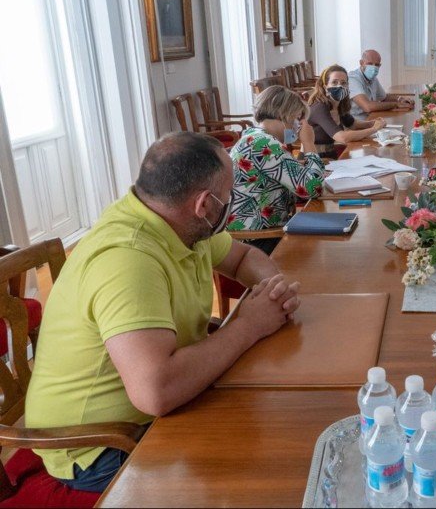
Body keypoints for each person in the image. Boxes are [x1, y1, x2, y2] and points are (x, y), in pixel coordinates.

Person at [25, 132, 303, 493]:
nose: (234, 200)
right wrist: (249, 325)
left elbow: (243, 257)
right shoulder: (128, 259)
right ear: (204, 204)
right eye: (230, 193)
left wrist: (272, 289)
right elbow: (155, 392)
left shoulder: (178, 222)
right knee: (263, 472)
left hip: (157, 404)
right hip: (99, 444)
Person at [227, 85, 325, 253]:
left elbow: (296, 180)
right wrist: (308, 142)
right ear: (285, 115)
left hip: (261, 231)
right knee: (324, 251)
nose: (299, 126)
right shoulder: (263, 144)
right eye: (298, 118)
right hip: (256, 239)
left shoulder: (256, 137)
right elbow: (313, 188)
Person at [307, 64, 387, 157]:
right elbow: (342, 137)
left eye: (343, 83)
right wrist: (374, 129)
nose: (339, 86)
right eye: (334, 82)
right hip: (314, 160)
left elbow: (353, 124)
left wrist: (374, 123)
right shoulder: (320, 107)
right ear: (325, 86)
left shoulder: (338, 103)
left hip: (330, 155)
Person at [348, 49, 413, 118]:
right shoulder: (353, 79)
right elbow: (367, 106)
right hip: (357, 123)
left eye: (377, 65)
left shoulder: (373, 78)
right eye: (370, 63)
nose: (373, 67)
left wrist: (400, 99)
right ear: (361, 63)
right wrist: (396, 104)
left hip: (371, 117)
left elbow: (383, 97)